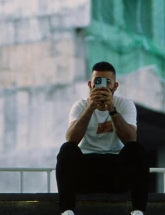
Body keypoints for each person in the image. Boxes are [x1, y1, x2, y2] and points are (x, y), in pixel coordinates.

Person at [56, 61, 149, 215]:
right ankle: (67, 210)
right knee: (66, 149)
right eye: (97, 82)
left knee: (137, 149)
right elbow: (71, 139)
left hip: (115, 170)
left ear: (115, 86)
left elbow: (131, 139)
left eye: (107, 82)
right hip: (86, 171)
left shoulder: (125, 105)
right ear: (90, 85)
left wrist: (112, 109)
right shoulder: (80, 106)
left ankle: (138, 210)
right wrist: (90, 108)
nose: (102, 86)